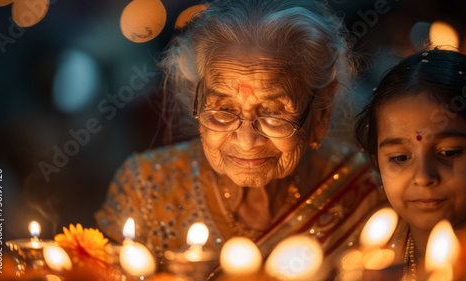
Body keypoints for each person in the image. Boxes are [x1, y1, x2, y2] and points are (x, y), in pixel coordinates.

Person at [96, 0, 383, 279]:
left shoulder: (363, 188)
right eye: (223, 110)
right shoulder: (145, 187)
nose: (246, 141)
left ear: (322, 109)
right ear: (198, 99)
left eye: (273, 113)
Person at [355, 49, 466, 280]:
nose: (423, 176)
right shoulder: (366, 260)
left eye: (449, 152)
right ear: (377, 165)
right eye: (400, 158)